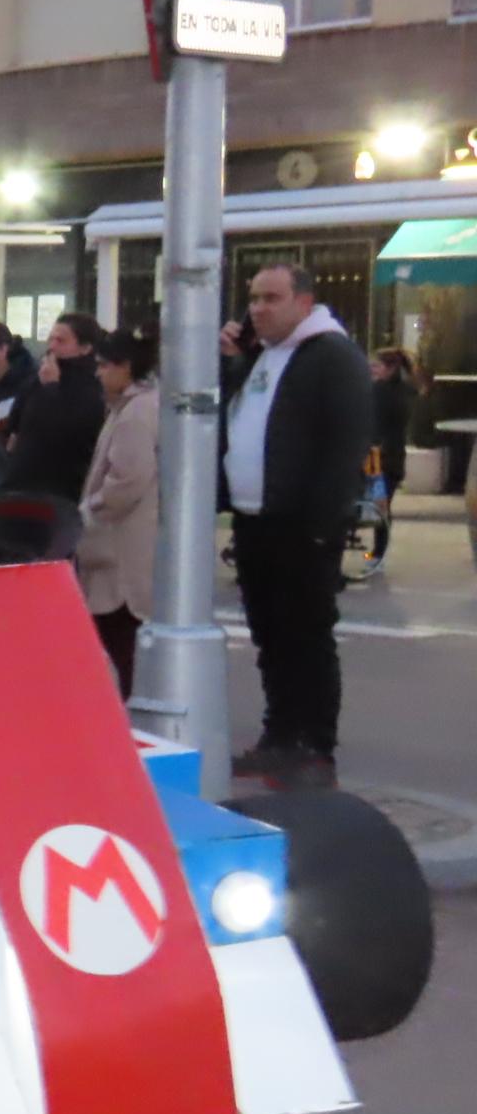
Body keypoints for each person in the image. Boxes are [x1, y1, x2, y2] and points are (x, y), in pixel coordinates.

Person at [222, 263, 374, 788]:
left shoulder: (332, 357)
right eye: (253, 299)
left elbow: (344, 448)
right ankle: (279, 734)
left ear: (303, 303)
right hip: (255, 520)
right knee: (270, 636)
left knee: (306, 636)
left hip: (301, 526)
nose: (258, 309)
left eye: (271, 298)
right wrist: (233, 362)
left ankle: (313, 743)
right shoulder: (264, 356)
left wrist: (320, 525)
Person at [77, 329, 160, 698]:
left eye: (102, 365)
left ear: (124, 367)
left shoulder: (135, 414)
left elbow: (128, 479)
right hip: (124, 543)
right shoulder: (134, 407)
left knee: (119, 638)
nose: (97, 374)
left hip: (121, 547)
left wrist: (91, 507)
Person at [3, 312, 106, 509]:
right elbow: (16, 424)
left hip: (60, 490)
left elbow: (65, 431)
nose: (52, 346)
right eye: (51, 338)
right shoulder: (38, 378)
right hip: (22, 484)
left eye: (61, 341)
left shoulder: (91, 387)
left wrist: (51, 389)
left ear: (85, 348)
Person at [370, 346, 417, 502]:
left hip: (376, 458)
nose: (374, 370)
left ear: (390, 368)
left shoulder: (378, 391)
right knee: (383, 504)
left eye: (377, 366)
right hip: (395, 456)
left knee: (377, 503)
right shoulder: (406, 390)